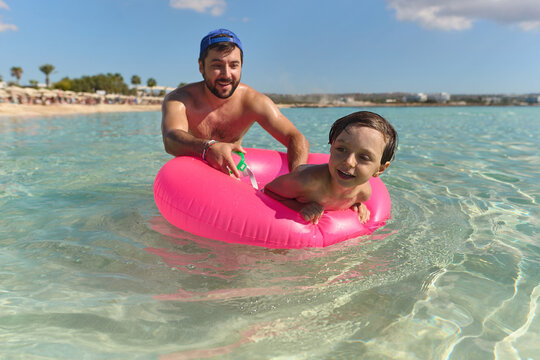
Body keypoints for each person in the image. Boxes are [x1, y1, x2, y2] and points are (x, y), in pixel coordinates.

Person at [161, 29, 309, 177]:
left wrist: (297, 179)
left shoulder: (253, 102)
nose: (226, 74)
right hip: (192, 176)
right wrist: (208, 148)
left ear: (241, 65)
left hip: (231, 177)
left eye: (234, 65)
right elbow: (171, 138)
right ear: (201, 66)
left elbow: (295, 137)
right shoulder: (180, 100)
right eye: (217, 65)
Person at [264, 111, 397, 224]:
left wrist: (356, 204)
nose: (349, 162)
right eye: (341, 149)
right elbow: (269, 190)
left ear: (380, 169)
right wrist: (299, 206)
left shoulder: (363, 193)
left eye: (364, 157)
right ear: (331, 147)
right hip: (304, 172)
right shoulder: (307, 181)